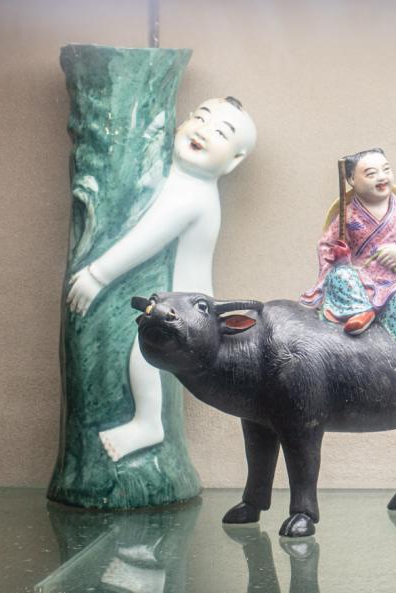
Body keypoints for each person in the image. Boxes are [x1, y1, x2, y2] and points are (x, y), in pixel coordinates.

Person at [66, 96, 258, 461]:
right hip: (176, 298)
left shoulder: (194, 194)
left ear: (234, 161)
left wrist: (97, 275)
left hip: (186, 307)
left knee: (146, 353)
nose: (203, 130)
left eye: (220, 132)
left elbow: (146, 238)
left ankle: (148, 423)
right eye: (199, 118)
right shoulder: (178, 179)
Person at [300, 149, 396, 356]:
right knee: (340, 276)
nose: (382, 177)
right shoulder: (348, 214)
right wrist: (339, 256)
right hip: (360, 276)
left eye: (386, 170)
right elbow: (327, 244)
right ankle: (359, 311)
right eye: (371, 173)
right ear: (352, 180)